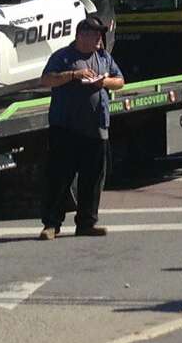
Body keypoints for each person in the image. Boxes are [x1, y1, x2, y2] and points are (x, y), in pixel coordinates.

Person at [37, 14, 124, 240]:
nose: (99, 39)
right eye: (95, 35)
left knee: (92, 179)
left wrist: (103, 82)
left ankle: (87, 223)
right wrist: (74, 75)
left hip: (96, 128)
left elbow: (120, 81)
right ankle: (51, 225)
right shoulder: (63, 56)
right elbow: (46, 80)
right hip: (65, 127)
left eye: (99, 35)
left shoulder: (103, 57)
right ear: (80, 36)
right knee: (59, 178)